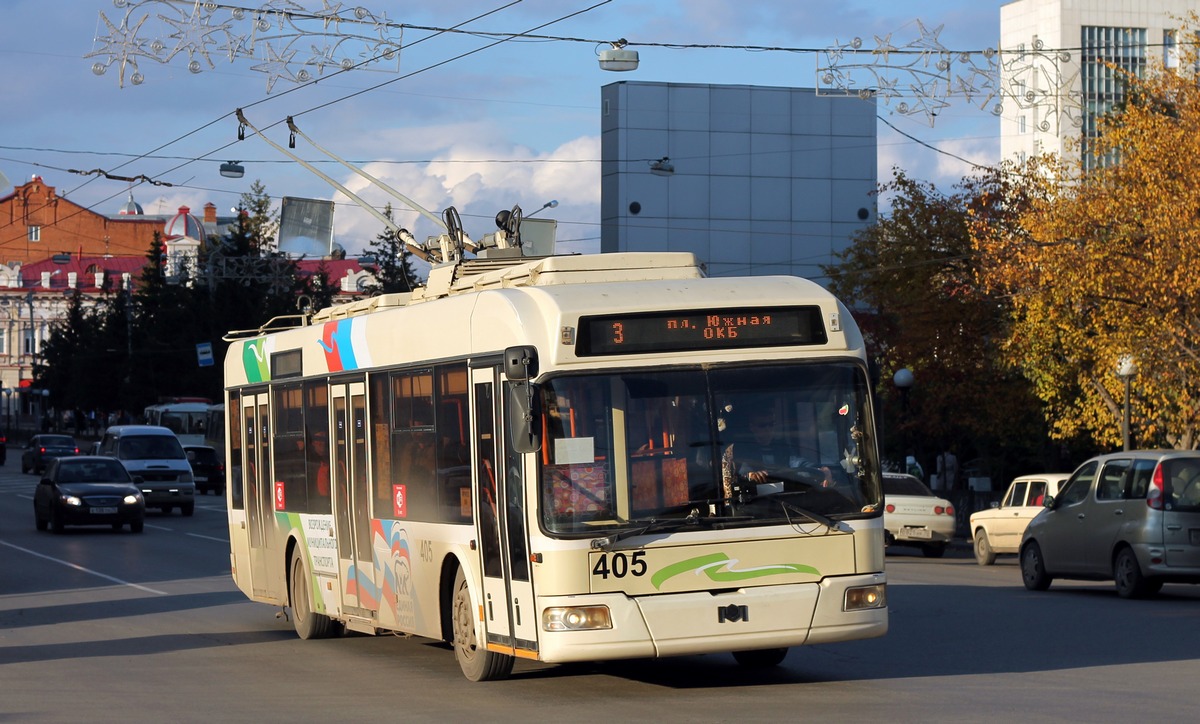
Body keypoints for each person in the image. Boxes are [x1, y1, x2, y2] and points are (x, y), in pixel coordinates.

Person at [722, 409, 832, 497]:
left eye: (771, 424)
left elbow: (799, 463)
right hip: (754, 502)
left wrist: (820, 470)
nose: (768, 429)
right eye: (762, 425)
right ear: (752, 427)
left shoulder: (782, 447)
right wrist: (750, 475)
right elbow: (742, 470)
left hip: (785, 500)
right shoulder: (742, 449)